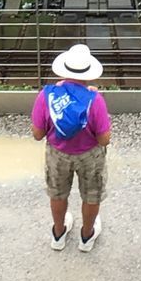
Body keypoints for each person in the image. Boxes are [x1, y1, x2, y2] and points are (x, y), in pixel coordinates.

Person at [31, 43, 111, 251]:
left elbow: (37, 134)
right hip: (89, 155)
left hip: (57, 153)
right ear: (88, 73)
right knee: (91, 195)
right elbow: (104, 139)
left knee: (58, 193)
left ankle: (58, 234)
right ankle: (87, 236)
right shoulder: (95, 99)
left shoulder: (46, 96)